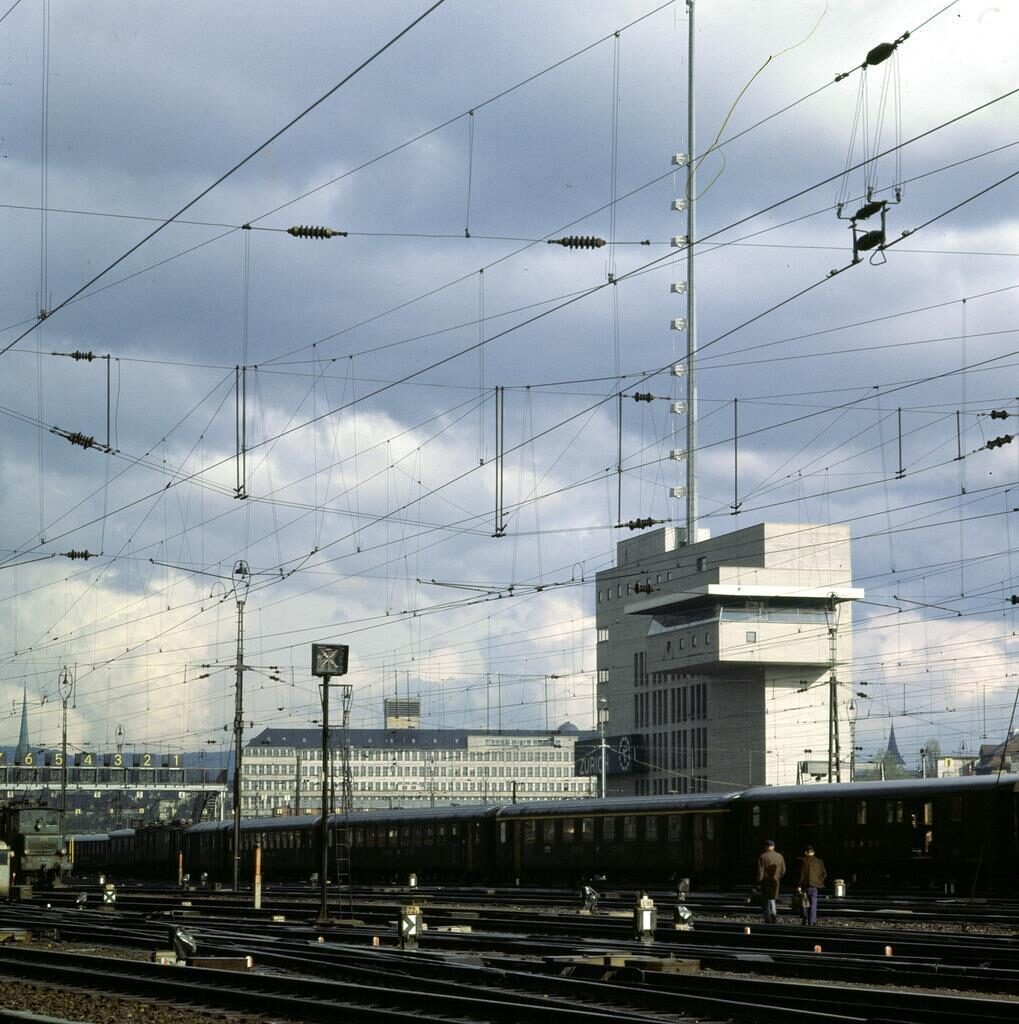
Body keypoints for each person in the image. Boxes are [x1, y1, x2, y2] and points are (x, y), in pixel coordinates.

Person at [756, 839, 786, 923]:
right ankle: (773, 913)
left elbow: (760, 871)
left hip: (765, 881)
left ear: (766, 847)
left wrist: (758, 882)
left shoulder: (762, 856)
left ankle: (768, 918)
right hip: (775, 882)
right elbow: (783, 871)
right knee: (772, 898)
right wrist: (777, 877)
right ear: (774, 846)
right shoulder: (780, 856)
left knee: (765, 900)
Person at [796, 845, 827, 925]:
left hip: (805, 886)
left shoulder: (803, 861)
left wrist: (799, 885)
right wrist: (819, 881)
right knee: (813, 904)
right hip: (815, 886)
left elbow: (802, 875)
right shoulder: (819, 861)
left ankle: (805, 919)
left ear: (806, 852)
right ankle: (812, 921)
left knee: (804, 903)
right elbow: (824, 874)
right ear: (814, 853)